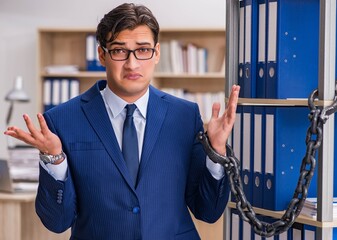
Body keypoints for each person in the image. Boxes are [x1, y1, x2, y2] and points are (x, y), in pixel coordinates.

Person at [4, 3, 240, 240]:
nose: (132, 63)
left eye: (143, 50)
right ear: (102, 55)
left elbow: (208, 211)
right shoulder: (62, 120)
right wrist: (54, 159)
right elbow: (57, 222)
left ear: (156, 53)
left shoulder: (185, 116)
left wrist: (216, 151)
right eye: (119, 51)